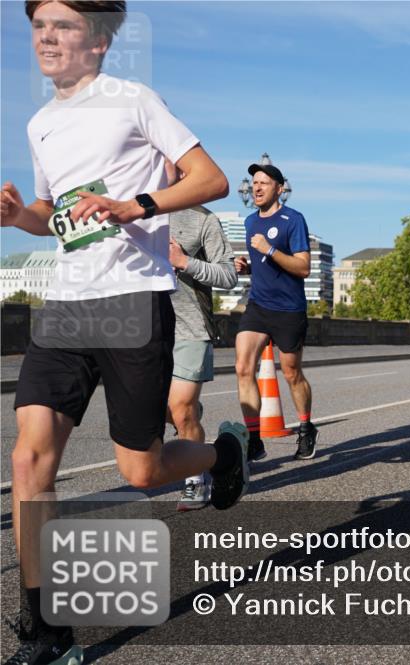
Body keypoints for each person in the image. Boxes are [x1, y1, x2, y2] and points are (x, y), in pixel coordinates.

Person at [1, 3, 249, 663]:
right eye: (39, 25)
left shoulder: (133, 100)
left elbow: (211, 178)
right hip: (67, 303)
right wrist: (19, 213)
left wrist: (134, 204)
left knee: (141, 471)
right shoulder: (40, 123)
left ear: (101, 42)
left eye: (65, 25)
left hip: (134, 301)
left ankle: (222, 456)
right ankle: (45, 629)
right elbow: (55, 215)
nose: (48, 37)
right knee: (29, 461)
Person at [166, 161, 239, 511]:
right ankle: (191, 418)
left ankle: (196, 481)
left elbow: (228, 275)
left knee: (180, 409)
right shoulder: (135, 212)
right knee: (161, 413)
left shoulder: (203, 219)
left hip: (190, 328)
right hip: (143, 330)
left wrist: (184, 262)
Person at [233, 161, 318, 461]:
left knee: (292, 373)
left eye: (263, 183)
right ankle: (254, 439)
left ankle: (306, 428)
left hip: (289, 309)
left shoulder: (293, 220)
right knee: (243, 367)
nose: (256, 187)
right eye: (253, 182)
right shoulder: (249, 223)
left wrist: (268, 249)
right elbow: (264, 266)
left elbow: (303, 267)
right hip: (258, 305)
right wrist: (247, 267)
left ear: (279, 189)